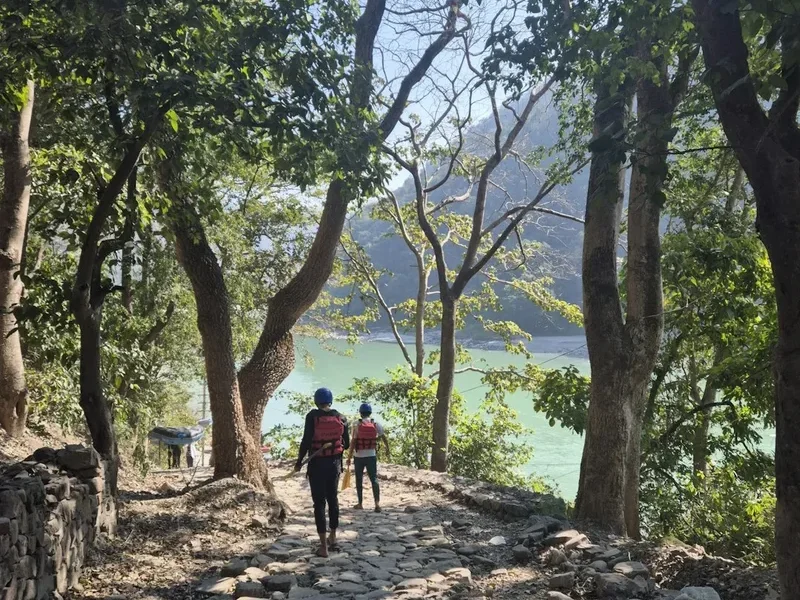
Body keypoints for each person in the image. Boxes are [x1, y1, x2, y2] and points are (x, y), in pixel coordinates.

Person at [295, 387, 349, 557]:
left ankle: (323, 546)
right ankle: (333, 536)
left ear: (316, 401)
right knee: (333, 499)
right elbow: (346, 444)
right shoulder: (341, 417)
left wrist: (298, 463)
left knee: (319, 503)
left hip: (317, 465)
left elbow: (306, 441)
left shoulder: (312, 416)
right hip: (334, 464)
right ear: (330, 400)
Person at [346, 403, 390, 512]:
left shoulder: (356, 424)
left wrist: (349, 456)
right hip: (371, 456)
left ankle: (360, 503)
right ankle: (377, 504)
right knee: (374, 479)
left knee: (359, 479)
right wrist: (387, 449)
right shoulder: (375, 424)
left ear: (360, 413)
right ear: (370, 413)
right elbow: (383, 437)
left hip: (359, 456)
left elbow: (353, 441)